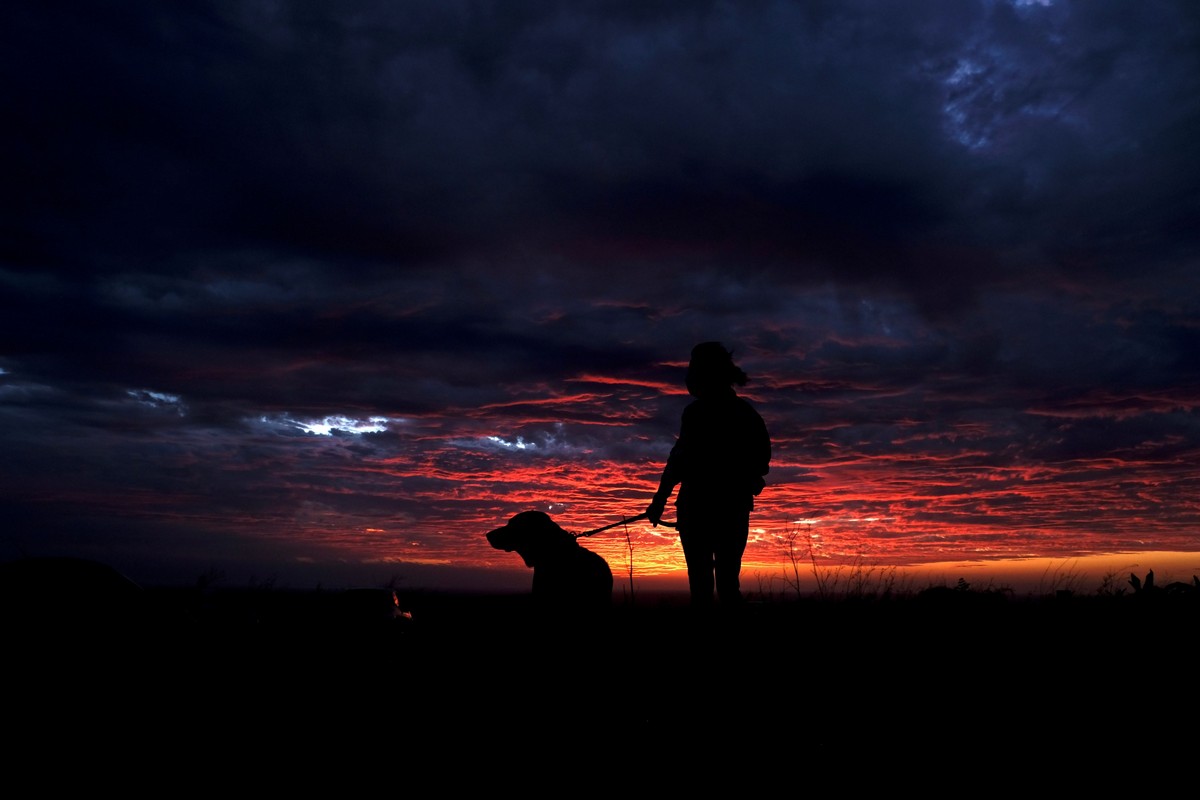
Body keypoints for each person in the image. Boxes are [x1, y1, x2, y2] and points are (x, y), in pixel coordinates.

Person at [646, 342, 771, 609]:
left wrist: (660, 500)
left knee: (705, 586)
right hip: (726, 508)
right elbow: (761, 462)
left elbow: (678, 460)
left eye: (693, 369)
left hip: (704, 508)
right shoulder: (743, 413)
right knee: (725, 585)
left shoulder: (699, 413)